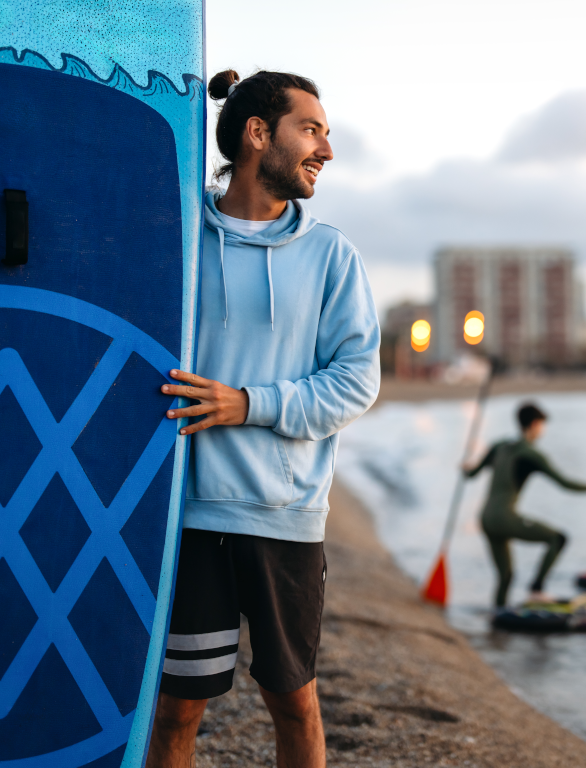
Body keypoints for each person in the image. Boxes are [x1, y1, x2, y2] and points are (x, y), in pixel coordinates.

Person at [147, 69, 380, 768]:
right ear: (257, 133)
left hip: (286, 516)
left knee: (295, 703)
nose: (326, 150)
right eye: (311, 130)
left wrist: (247, 403)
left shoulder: (330, 254)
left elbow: (357, 380)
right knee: (176, 710)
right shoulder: (178, 237)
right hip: (187, 515)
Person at [463, 402, 586, 607]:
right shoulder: (531, 454)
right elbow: (565, 483)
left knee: (506, 576)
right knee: (558, 538)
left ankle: (497, 616)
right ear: (534, 425)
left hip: (485, 519)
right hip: (504, 519)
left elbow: (470, 474)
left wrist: (465, 466)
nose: (543, 430)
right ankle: (537, 589)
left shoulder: (499, 446)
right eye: (542, 425)